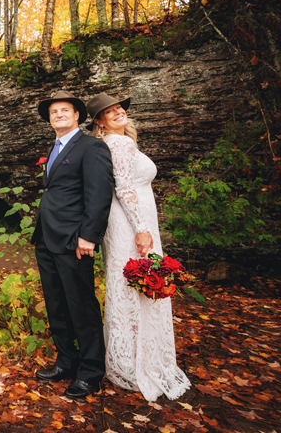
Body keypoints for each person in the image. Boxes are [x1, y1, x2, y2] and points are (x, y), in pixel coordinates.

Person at [86, 92, 191, 402]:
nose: (119, 112)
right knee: (136, 284)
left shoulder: (114, 142)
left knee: (131, 286)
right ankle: (135, 362)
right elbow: (124, 187)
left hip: (131, 221)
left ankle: (130, 357)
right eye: (110, 111)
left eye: (120, 108)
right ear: (99, 121)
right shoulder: (118, 143)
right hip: (131, 223)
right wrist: (141, 229)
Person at [32, 90, 114, 400]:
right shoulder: (54, 148)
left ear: (77, 115)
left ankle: (91, 373)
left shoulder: (91, 147)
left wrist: (88, 236)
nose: (59, 115)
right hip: (47, 238)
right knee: (57, 305)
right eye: (54, 112)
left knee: (82, 306)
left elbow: (99, 194)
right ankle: (66, 361)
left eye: (65, 110)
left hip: (73, 241)